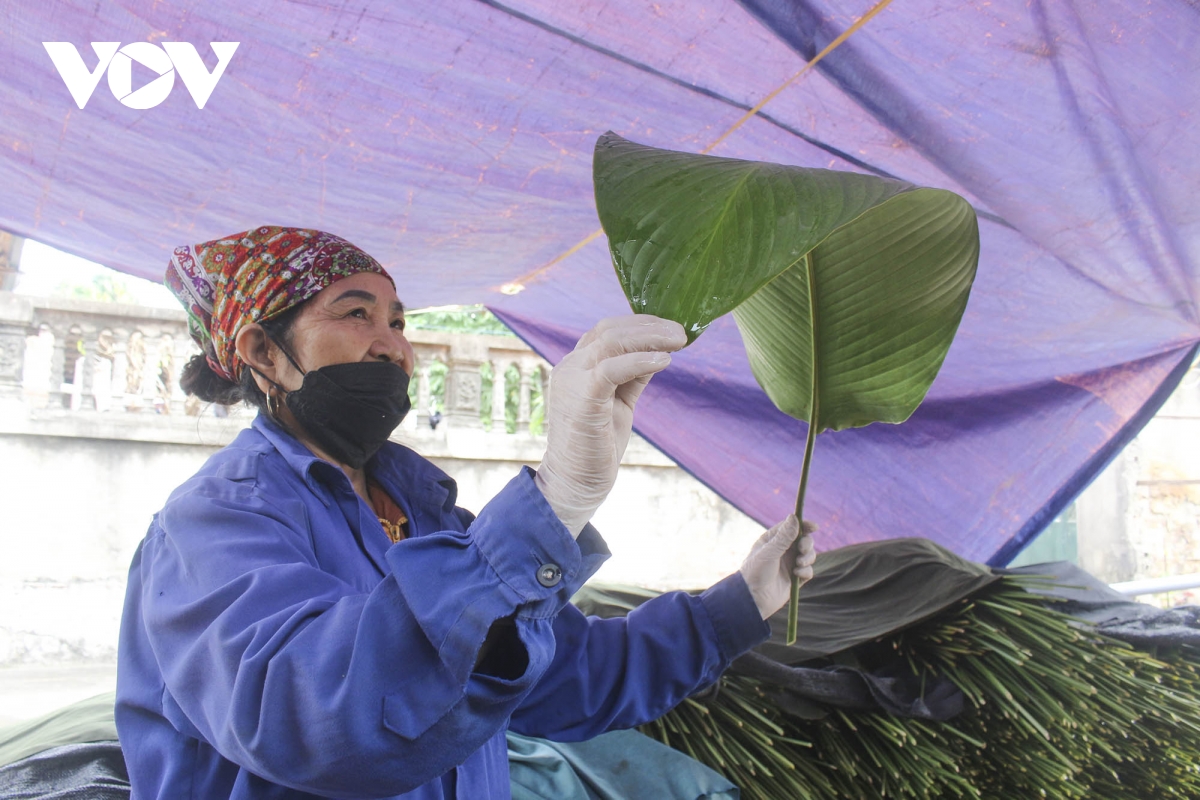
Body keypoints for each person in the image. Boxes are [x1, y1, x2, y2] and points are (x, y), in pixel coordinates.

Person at [116, 226, 817, 799]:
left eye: (397, 320)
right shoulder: (214, 523)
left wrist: (742, 602)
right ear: (262, 352)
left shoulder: (425, 515)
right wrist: (552, 502)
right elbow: (317, 718)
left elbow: (566, 678)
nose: (392, 343)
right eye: (355, 313)